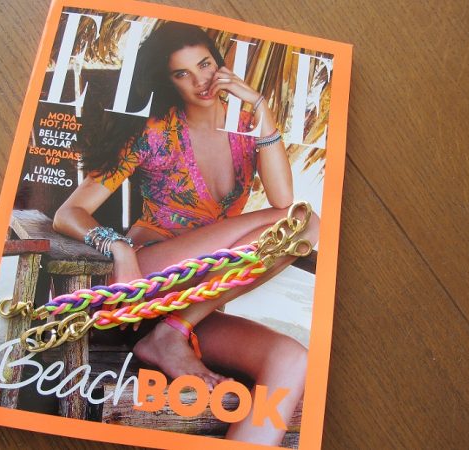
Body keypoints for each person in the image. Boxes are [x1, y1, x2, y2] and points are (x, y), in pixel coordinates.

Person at [53, 22, 320, 445]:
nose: (201, 81)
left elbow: (283, 198)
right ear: (169, 81)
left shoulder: (246, 128)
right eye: (183, 73)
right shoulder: (153, 133)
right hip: (149, 281)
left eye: (205, 65)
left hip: (192, 306)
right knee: (303, 222)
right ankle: (170, 333)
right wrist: (120, 247)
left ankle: (173, 332)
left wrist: (261, 107)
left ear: (220, 64)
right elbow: (69, 212)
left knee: (292, 359)